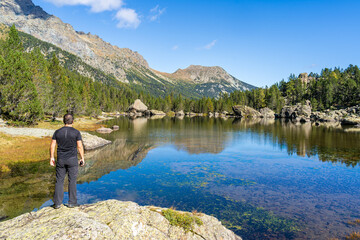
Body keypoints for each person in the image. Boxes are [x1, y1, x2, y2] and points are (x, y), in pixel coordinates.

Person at [50, 113, 85, 209]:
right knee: (72, 181)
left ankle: (57, 203)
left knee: (59, 181)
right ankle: (72, 202)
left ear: (63, 121)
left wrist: (52, 157)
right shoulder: (76, 132)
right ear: (72, 121)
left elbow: (53, 145)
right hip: (72, 160)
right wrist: (82, 158)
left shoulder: (57, 132)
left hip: (61, 159)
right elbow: (79, 146)